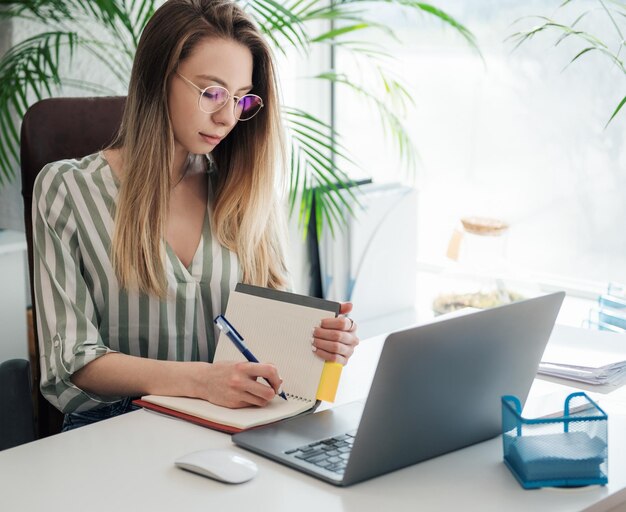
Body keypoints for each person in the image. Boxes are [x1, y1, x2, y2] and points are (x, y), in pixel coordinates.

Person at [32, 0, 359, 431]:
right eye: (212, 92)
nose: (227, 117)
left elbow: (274, 347)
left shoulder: (245, 192)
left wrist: (321, 345)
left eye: (242, 99)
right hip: (113, 432)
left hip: (232, 428)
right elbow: (72, 360)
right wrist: (202, 382)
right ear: (158, 79)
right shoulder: (67, 190)